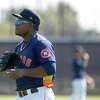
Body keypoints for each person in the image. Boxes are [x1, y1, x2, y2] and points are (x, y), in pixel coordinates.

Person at [5, 9, 56, 100]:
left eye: (20, 21)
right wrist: (9, 68)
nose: (16, 24)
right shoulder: (19, 46)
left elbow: (50, 69)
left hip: (38, 94)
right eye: (16, 21)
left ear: (30, 25)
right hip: (21, 95)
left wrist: (22, 72)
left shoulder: (41, 43)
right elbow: (19, 71)